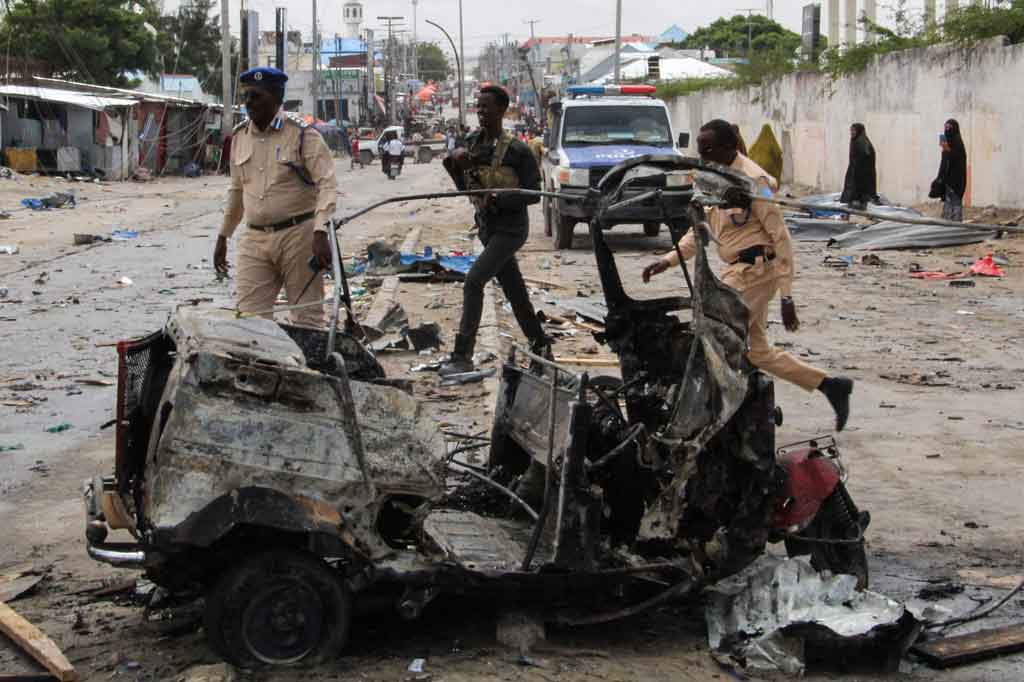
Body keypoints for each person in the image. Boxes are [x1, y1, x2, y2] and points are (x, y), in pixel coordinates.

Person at [641, 119, 854, 431]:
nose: (702, 156)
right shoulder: (714, 179)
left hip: (755, 272)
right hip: (737, 270)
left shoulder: (755, 182)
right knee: (758, 353)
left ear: (729, 147)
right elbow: (700, 230)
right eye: (700, 151)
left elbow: (781, 238)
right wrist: (669, 260)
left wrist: (787, 295)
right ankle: (830, 386)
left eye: (708, 150)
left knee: (712, 333)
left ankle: (719, 412)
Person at [439, 85, 551, 376]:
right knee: (515, 292)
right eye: (478, 106)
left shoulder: (518, 150)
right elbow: (464, 189)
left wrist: (501, 197)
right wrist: (456, 166)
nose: (481, 112)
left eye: (487, 107)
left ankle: (462, 354)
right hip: (487, 229)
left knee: (474, 281)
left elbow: (533, 194)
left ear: (502, 110)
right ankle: (541, 346)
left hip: (511, 229)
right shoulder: (472, 142)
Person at [213, 67, 337, 327]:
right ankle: (263, 367)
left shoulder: (303, 134)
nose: (248, 103)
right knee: (249, 318)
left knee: (307, 317)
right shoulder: (239, 137)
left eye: (256, 96)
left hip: (299, 237)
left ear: (276, 98)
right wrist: (223, 236)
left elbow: (327, 184)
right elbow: (237, 190)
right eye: (246, 96)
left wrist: (320, 232)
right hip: (255, 239)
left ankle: (308, 367)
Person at [933, 119, 967, 221]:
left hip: (957, 181)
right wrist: (940, 178)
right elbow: (944, 164)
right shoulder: (947, 144)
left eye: (949, 128)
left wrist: (947, 150)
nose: (947, 130)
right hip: (948, 181)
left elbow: (956, 160)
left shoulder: (958, 144)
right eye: (945, 127)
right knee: (948, 203)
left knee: (956, 203)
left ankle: (956, 226)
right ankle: (947, 225)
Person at [840, 123, 878, 210]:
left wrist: (858, 169)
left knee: (860, 190)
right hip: (855, 169)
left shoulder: (862, 142)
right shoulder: (855, 140)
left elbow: (867, 156)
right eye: (851, 130)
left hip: (862, 172)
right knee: (852, 188)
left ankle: (861, 205)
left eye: (853, 130)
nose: (852, 132)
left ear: (859, 131)